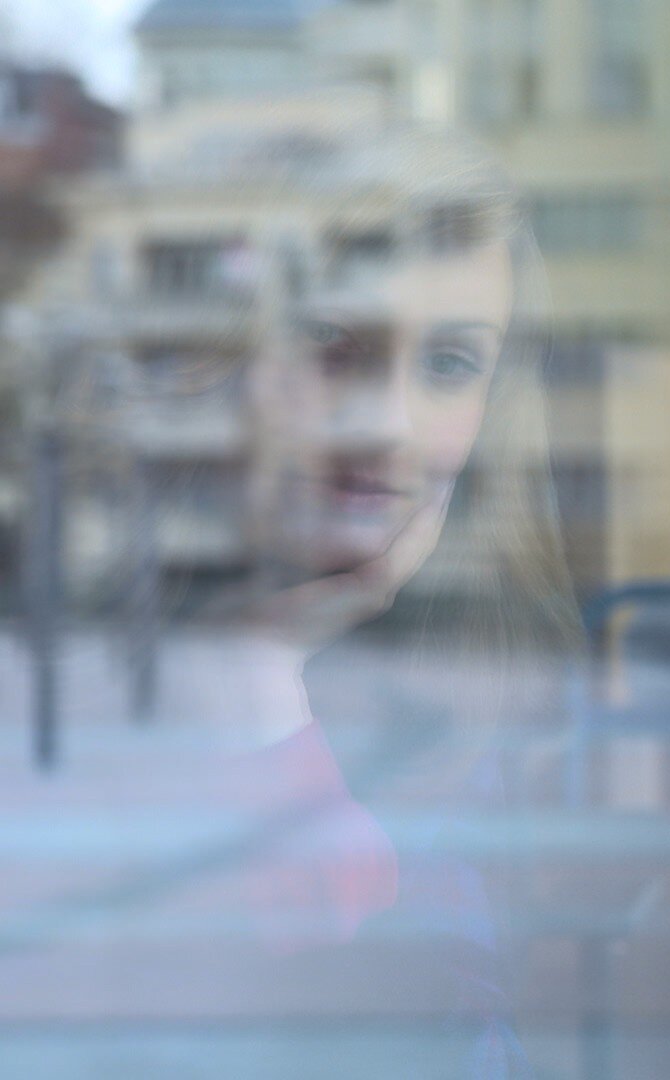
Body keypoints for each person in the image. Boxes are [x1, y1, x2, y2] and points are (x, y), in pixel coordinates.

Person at [0, 121, 584, 1078]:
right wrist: (255, 681)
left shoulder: (502, 674)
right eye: (332, 350)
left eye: (449, 365)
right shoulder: (62, 684)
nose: (388, 426)